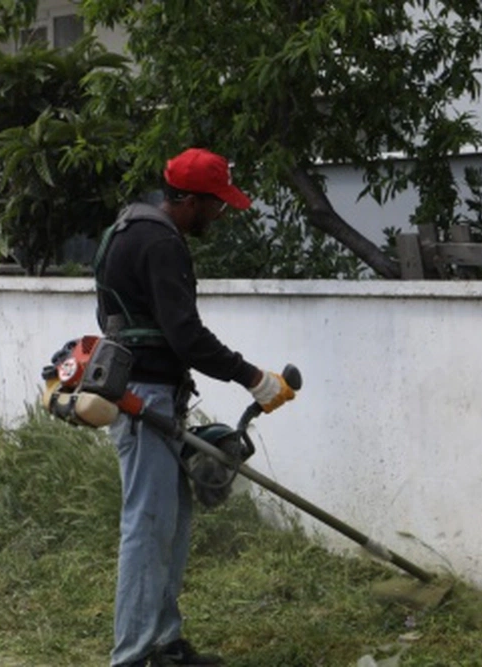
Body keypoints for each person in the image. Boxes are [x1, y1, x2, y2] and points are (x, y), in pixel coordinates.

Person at [93, 147, 296, 667]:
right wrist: (255, 379)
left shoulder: (130, 228)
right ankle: (134, 656)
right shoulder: (161, 242)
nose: (221, 215)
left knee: (172, 522)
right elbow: (186, 335)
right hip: (144, 398)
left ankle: (165, 645)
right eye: (218, 205)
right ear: (190, 200)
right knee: (147, 526)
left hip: (150, 392)